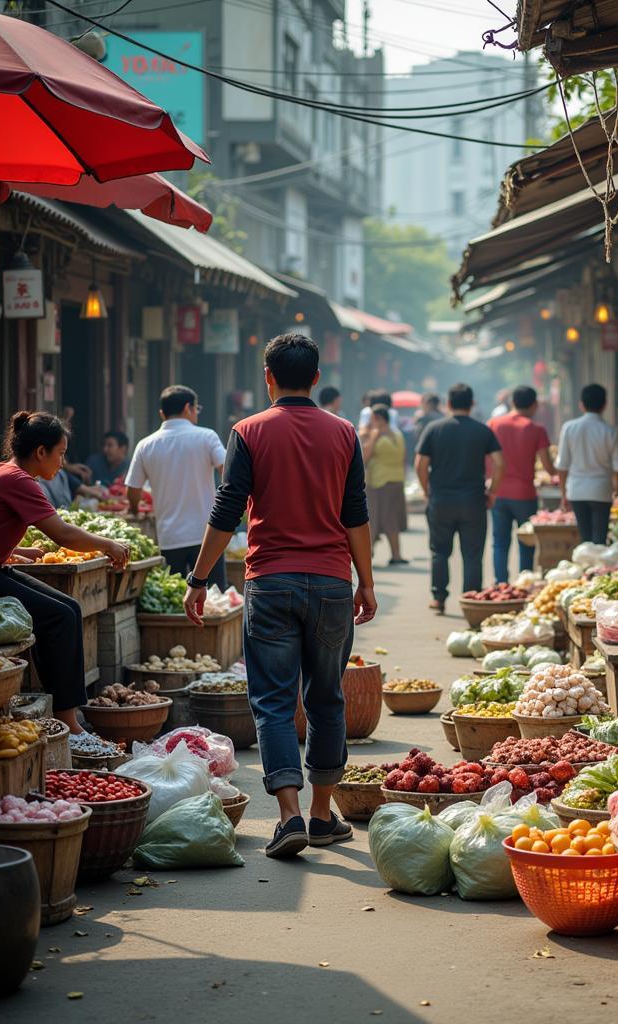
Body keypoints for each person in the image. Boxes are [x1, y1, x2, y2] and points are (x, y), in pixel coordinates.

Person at [183, 334, 376, 860]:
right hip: (333, 583)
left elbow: (227, 508)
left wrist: (199, 579)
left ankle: (289, 816)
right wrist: (367, 580)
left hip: (269, 582)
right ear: (315, 378)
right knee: (327, 698)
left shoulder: (248, 431)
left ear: (267, 377)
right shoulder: (344, 433)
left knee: (272, 701)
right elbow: (355, 511)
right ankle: (320, 814)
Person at [0, 412, 129, 733]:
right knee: (60, 617)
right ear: (41, 452)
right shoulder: (19, 479)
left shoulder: (5, 471)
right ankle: (67, 720)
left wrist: (15, 551)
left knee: (68, 608)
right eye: (61, 453)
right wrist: (109, 544)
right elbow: (64, 535)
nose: (62, 462)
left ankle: (60, 707)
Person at [125, 386, 228, 589]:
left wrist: (135, 510)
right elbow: (228, 470)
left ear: (162, 413)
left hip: (169, 537)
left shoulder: (145, 445)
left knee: (176, 597)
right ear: (188, 407)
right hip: (207, 535)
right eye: (196, 408)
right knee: (216, 598)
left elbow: (133, 489)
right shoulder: (207, 437)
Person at [415, 383, 503, 613]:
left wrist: (427, 490)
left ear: (449, 403)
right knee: (473, 554)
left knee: (440, 551)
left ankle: (439, 598)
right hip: (474, 501)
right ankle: (471, 600)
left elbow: (420, 464)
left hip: (441, 500)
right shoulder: (483, 430)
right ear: (472, 404)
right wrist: (492, 491)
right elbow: (500, 463)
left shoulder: (434, 429)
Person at [488, 386, 554, 583]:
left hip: (498, 491)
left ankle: (501, 584)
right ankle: (523, 584)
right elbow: (548, 467)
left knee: (500, 543)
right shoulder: (536, 429)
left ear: (512, 402)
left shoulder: (493, 424)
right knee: (526, 542)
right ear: (534, 405)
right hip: (525, 494)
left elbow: (486, 458)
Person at [555, 384, 618, 545]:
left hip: (577, 490)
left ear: (581, 404)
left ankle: (585, 567)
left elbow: (562, 465)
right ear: (605, 404)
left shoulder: (569, 428)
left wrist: (563, 494)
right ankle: (597, 569)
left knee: (584, 539)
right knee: (600, 539)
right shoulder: (611, 431)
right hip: (601, 491)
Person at [361, 404, 408, 566]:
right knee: (391, 519)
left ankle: (368, 554)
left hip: (378, 481)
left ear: (379, 419)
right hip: (397, 479)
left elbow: (365, 458)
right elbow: (404, 458)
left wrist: (371, 437)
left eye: (372, 419)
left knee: (372, 518)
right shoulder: (398, 435)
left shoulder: (376, 435)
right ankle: (396, 554)